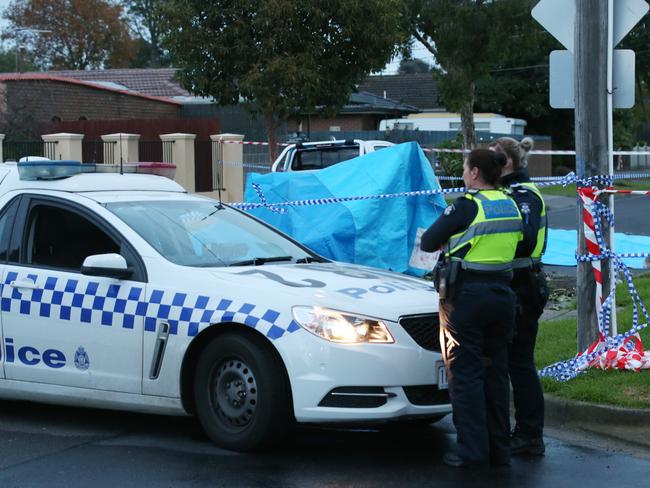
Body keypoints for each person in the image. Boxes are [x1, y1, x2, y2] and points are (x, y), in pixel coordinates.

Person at [421, 149, 523, 468]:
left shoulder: (468, 205)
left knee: (465, 375)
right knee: (496, 373)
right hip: (503, 295)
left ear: (475, 172)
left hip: (468, 297)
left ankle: (473, 453)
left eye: (466, 169)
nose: (464, 174)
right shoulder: (511, 203)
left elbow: (428, 241)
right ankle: (499, 451)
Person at [489, 137, 549, 456]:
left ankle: (529, 434)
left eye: (493, 158)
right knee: (508, 361)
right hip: (511, 284)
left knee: (520, 363)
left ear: (507, 164)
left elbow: (523, 240)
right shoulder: (507, 192)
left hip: (523, 284)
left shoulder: (523, 195)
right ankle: (516, 430)